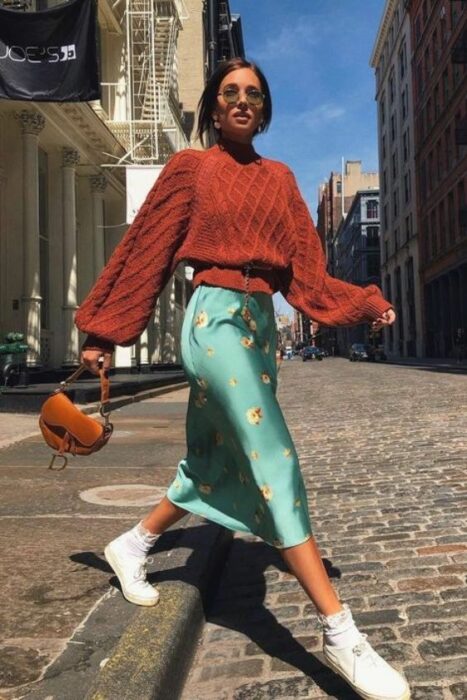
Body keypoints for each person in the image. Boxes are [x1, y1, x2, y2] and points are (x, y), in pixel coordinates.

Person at [77, 57, 408, 700]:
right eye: (229, 92)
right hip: (214, 320)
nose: (241, 100)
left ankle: (134, 542)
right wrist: (103, 333)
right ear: (212, 105)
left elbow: (307, 275)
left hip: (260, 326)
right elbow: (144, 248)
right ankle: (342, 634)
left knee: (215, 462)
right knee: (272, 457)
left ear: (265, 108)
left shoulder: (281, 179)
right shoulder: (191, 169)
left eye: (253, 94)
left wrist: (363, 301)